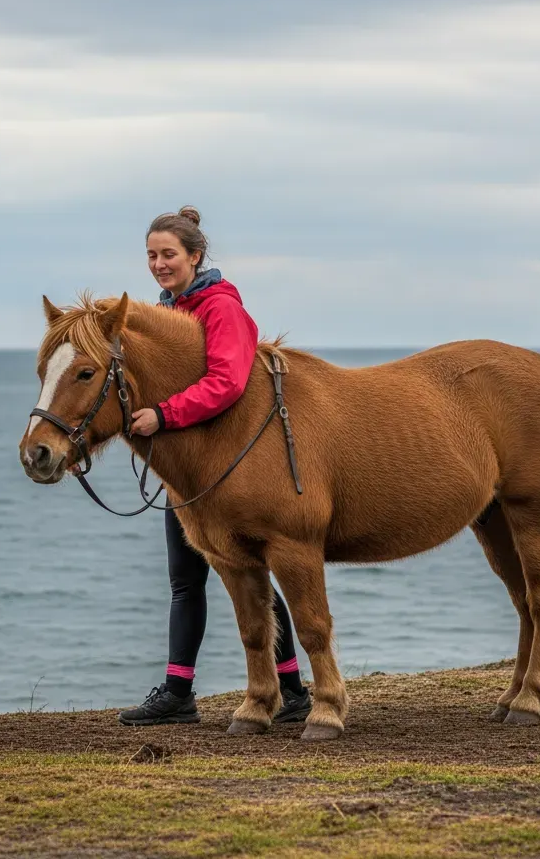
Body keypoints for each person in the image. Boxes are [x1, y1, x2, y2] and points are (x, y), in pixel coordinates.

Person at [117, 206, 313, 726]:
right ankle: (178, 693)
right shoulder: (167, 310)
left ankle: (292, 689)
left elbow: (228, 382)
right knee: (185, 582)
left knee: (251, 574)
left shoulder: (220, 307)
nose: (159, 264)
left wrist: (163, 415)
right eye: (151, 256)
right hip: (184, 472)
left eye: (168, 254)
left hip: (228, 469)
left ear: (195, 255)